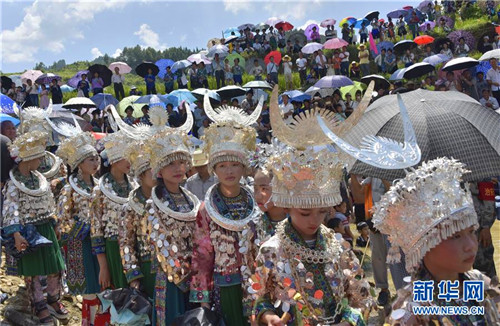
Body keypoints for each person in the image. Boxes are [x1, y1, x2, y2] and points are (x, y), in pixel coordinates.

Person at [248, 96, 374, 325]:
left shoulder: (337, 245)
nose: (315, 220)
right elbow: (260, 298)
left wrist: (350, 319)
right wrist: (268, 317)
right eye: (305, 213)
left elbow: (362, 294)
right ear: (287, 206)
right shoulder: (271, 250)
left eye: (322, 212)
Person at [373, 158, 500, 325]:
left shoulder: (478, 282)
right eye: (455, 236)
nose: (471, 245)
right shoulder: (412, 311)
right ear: (425, 244)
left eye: (471, 232)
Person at [189, 97, 264, 326]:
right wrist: (203, 301)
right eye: (222, 165)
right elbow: (202, 254)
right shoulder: (206, 208)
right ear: (214, 168)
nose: (229, 170)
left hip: (257, 281)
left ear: (243, 167)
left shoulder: (258, 201)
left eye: (234, 164)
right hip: (226, 284)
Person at [3, 130, 68, 325]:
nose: (41, 162)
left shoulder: (39, 178)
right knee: (33, 273)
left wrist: (54, 222)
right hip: (27, 231)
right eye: (38, 158)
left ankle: (53, 299)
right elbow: (10, 208)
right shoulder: (13, 184)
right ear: (29, 160)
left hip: (46, 227)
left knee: (55, 267)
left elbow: (49, 202)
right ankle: (38, 306)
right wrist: (15, 234)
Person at [50, 126, 101, 321]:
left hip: (100, 243)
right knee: (89, 290)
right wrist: (87, 229)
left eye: (97, 158)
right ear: (79, 164)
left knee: (104, 288)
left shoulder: (101, 186)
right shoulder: (70, 188)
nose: (96, 163)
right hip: (81, 245)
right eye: (91, 159)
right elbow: (63, 219)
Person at [90, 131, 133, 291]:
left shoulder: (134, 186)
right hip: (113, 249)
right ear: (113, 160)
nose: (130, 161)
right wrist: (104, 267)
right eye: (126, 157)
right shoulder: (99, 190)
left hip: (135, 247)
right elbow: (96, 230)